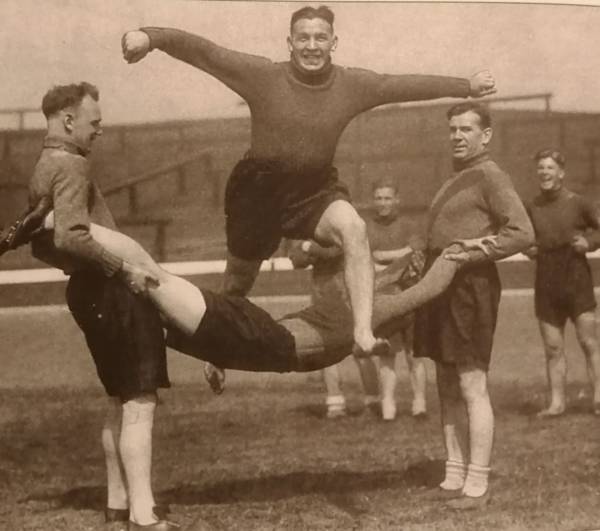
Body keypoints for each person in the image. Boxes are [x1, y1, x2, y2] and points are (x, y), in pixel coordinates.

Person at [121, 5, 497, 361]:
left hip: (313, 190)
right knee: (237, 284)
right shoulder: (263, 75)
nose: (312, 46)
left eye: (320, 38)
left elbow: (402, 85)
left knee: (354, 228)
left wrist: (466, 85)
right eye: (303, 38)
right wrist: (150, 37)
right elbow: (207, 53)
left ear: (334, 43)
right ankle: (215, 351)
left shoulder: (352, 84)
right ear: (289, 42)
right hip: (258, 194)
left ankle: (363, 333)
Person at [27, 83, 178, 531]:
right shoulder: (72, 165)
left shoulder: (42, 166)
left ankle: (118, 504)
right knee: (139, 401)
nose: (100, 130)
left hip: (87, 291)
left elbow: (45, 245)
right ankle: (144, 515)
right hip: (111, 289)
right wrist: (123, 269)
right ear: (69, 120)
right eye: (94, 122)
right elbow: (72, 235)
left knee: (119, 399)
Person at [414, 102, 534, 510]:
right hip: (439, 284)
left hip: (470, 289)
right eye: (453, 129)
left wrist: (477, 250)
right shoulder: (457, 177)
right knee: (446, 383)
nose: (457, 136)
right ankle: (454, 474)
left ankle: (477, 485)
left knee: (470, 383)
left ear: (486, 135)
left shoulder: (491, 176)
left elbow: (521, 233)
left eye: (467, 129)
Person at [525, 149, 600, 417]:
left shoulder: (578, 203)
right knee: (553, 347)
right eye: (541, 168)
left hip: (577, 280)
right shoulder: (532, 206)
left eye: (549, 167)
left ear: (561, 172)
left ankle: (599, 399)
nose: (544, 172)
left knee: (588, 342)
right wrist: (528, 247)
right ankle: (557, 403)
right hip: (546, 283)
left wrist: (589, 242)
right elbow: (520, 235)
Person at [286, 239, 382, 419]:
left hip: (345, 291)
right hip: (321, 293)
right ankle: (335, 402)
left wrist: (308, 247)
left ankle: (373, 401)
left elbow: (335, 251)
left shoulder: (336, 223)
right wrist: (301, 250)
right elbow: (296, 260)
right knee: (327, 348)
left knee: (360, 348)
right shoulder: (306, 228)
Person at [365, 179, 428, 419]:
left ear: (397, 200)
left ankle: (419, 404)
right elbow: (368, 256)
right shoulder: (367, 228)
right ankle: (388, 407)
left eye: (387, 198)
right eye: (379, 198)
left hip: (410, 297)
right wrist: (400, 255)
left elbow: (417, 249)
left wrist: (388, 256)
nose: (383, 203)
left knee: (415, 354)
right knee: (387, 354)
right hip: (384, 299)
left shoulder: (409, 225)